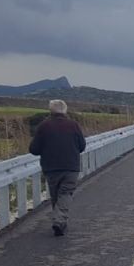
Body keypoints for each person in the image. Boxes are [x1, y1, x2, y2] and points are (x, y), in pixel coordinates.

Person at [28, 99, 86, 236]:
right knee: (65, 193)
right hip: (71, 167)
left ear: (51, 111)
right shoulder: (73, 125)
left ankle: (59, 221)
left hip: (51, 168)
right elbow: (82, 146)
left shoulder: (44, 126)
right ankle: (60, 221)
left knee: (56, 195)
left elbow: (34, 149)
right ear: (65, 110)